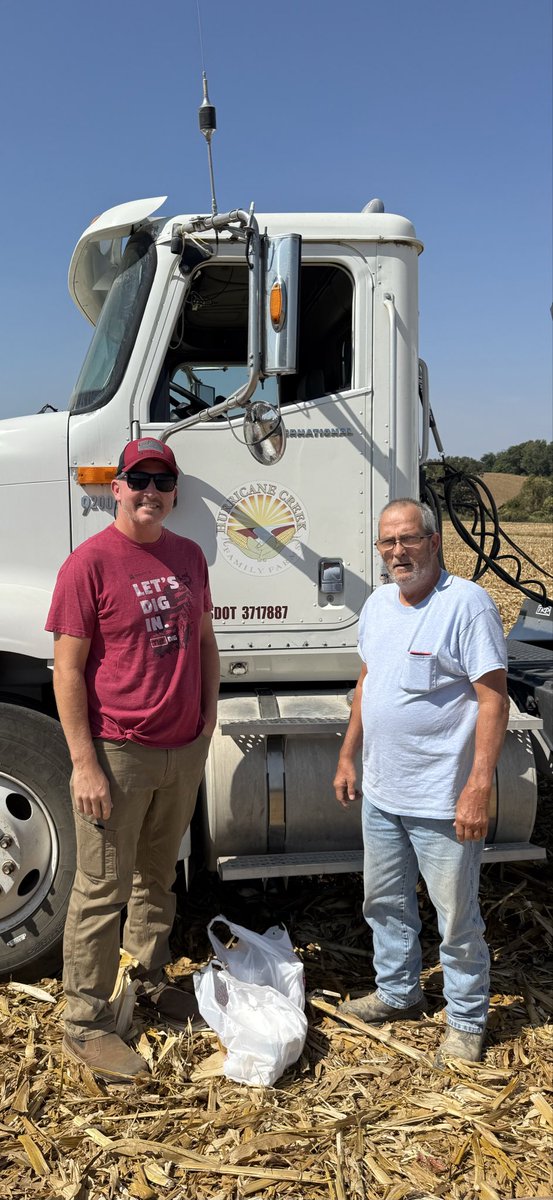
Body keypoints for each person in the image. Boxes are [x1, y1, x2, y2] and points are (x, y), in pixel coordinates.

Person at [46, 437, 220, 1083]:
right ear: (115, 488)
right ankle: (85, 1022)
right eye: (138, 480)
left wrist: (205, 721)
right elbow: (67, 670)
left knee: (157, 879)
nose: (150, 491)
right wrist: (83, 763)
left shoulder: (189, 557)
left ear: (175, 494)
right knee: (100, 892)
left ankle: (148, 982)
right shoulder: (88, 564)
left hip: (181, 749)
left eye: (162, 481)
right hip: (119, 753)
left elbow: (204, 641)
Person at [333, 498, 509, 1065]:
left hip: (441, 798)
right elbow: (368, 680)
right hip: (383, 793)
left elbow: (493, 699)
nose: (398, 552)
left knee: (456, 915)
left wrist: (478, 786)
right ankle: (398, 993)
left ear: (434, 542)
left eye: (408, 539)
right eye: (388, 542)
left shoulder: (466, 606)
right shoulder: (380, 604)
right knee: (383, 902)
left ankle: (464, 1020)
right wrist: (347, 755)